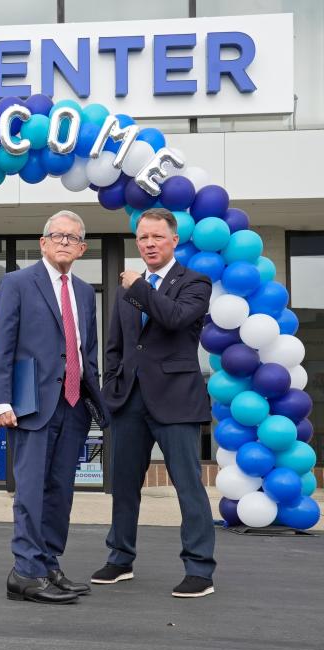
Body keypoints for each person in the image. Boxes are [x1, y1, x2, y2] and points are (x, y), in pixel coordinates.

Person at [91, 207, 216, 598]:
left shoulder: (195, 282)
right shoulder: (126, 290)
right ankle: (119, 559)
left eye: (156, 237)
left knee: (188, 487)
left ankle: (199, 569)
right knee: (124, 486)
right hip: (129, 401)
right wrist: (112, 387)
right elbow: (116, 345)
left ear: (174, 240)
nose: (148, 244)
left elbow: (174, 318)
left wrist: (139, 288)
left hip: (176, 402)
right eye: (142, 237)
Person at [0, 210, 108, 605]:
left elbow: (84, 352)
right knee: (31, 492)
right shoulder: (18, 283)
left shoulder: (86, 292)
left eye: (72, 238)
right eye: (56, 236)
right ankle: (24, 572)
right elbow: (2, 345)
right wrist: (0, 400)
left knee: (60, 492)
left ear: (82, 248)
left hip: (73, 405)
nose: (63, 242)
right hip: (31, 407)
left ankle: (48, 564)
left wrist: (97, 400)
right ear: (42, 243)